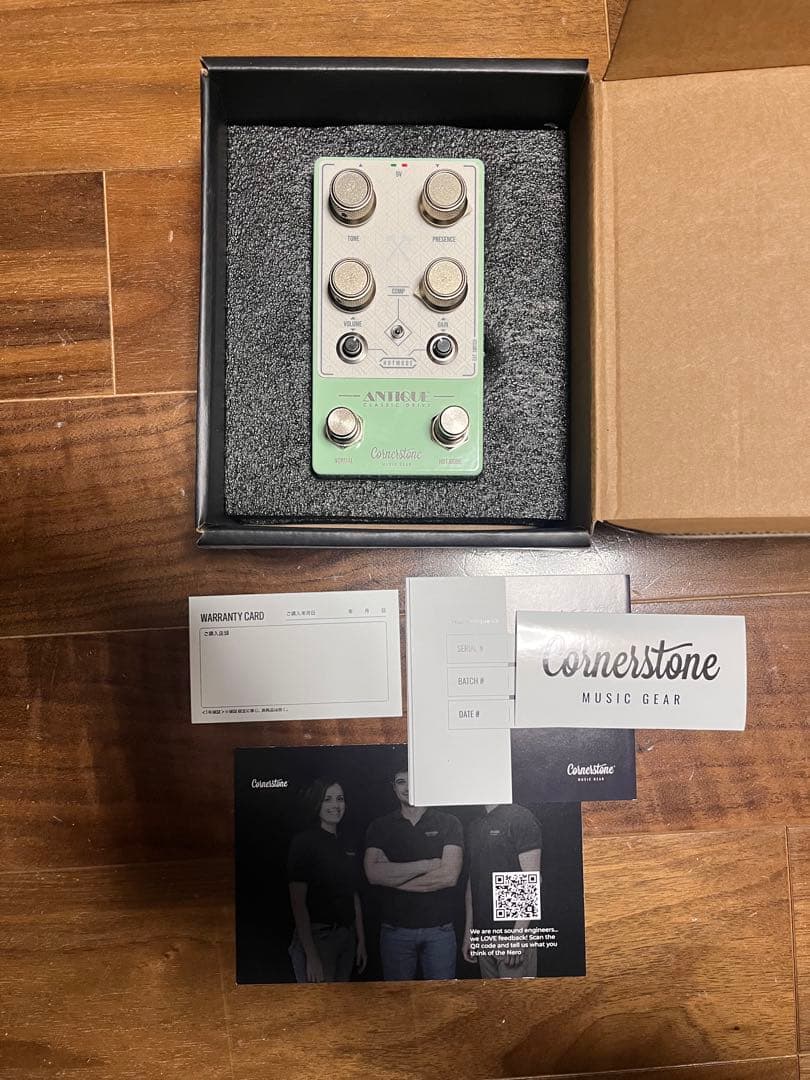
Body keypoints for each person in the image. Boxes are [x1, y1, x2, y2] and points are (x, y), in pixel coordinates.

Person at [363, 765, 463, 981]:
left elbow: (449, 876)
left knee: (441, 998)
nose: (408, 787)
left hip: (439, 930)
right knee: (398, 999)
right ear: (393, 787)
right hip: (395, 931)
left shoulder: (449, 823)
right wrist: (428, 864)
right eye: (402, 782)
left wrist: (392, 878)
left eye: (414, 780)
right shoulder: (380, 826)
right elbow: (372, 874)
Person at [287, 778, 368, 983]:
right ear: (317, 803)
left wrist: (361, 941)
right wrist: (311, 956)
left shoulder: (348, 842)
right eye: (327, 799)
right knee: (319, 1001)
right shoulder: (304, 842)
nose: (335, 805)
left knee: (341, 1001)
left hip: (346, 938)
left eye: (339, 799)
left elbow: (353, 894)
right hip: (318, 938)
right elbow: (298, 903)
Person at [462, 803, 542, 979]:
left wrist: (517, 937)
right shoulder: (475, 824)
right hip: (484, 935)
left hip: (512, 933)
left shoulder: (520, 817)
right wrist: (470, 932)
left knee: (515, 997)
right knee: (492, 996)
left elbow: (532, 879)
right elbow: (473, 880)